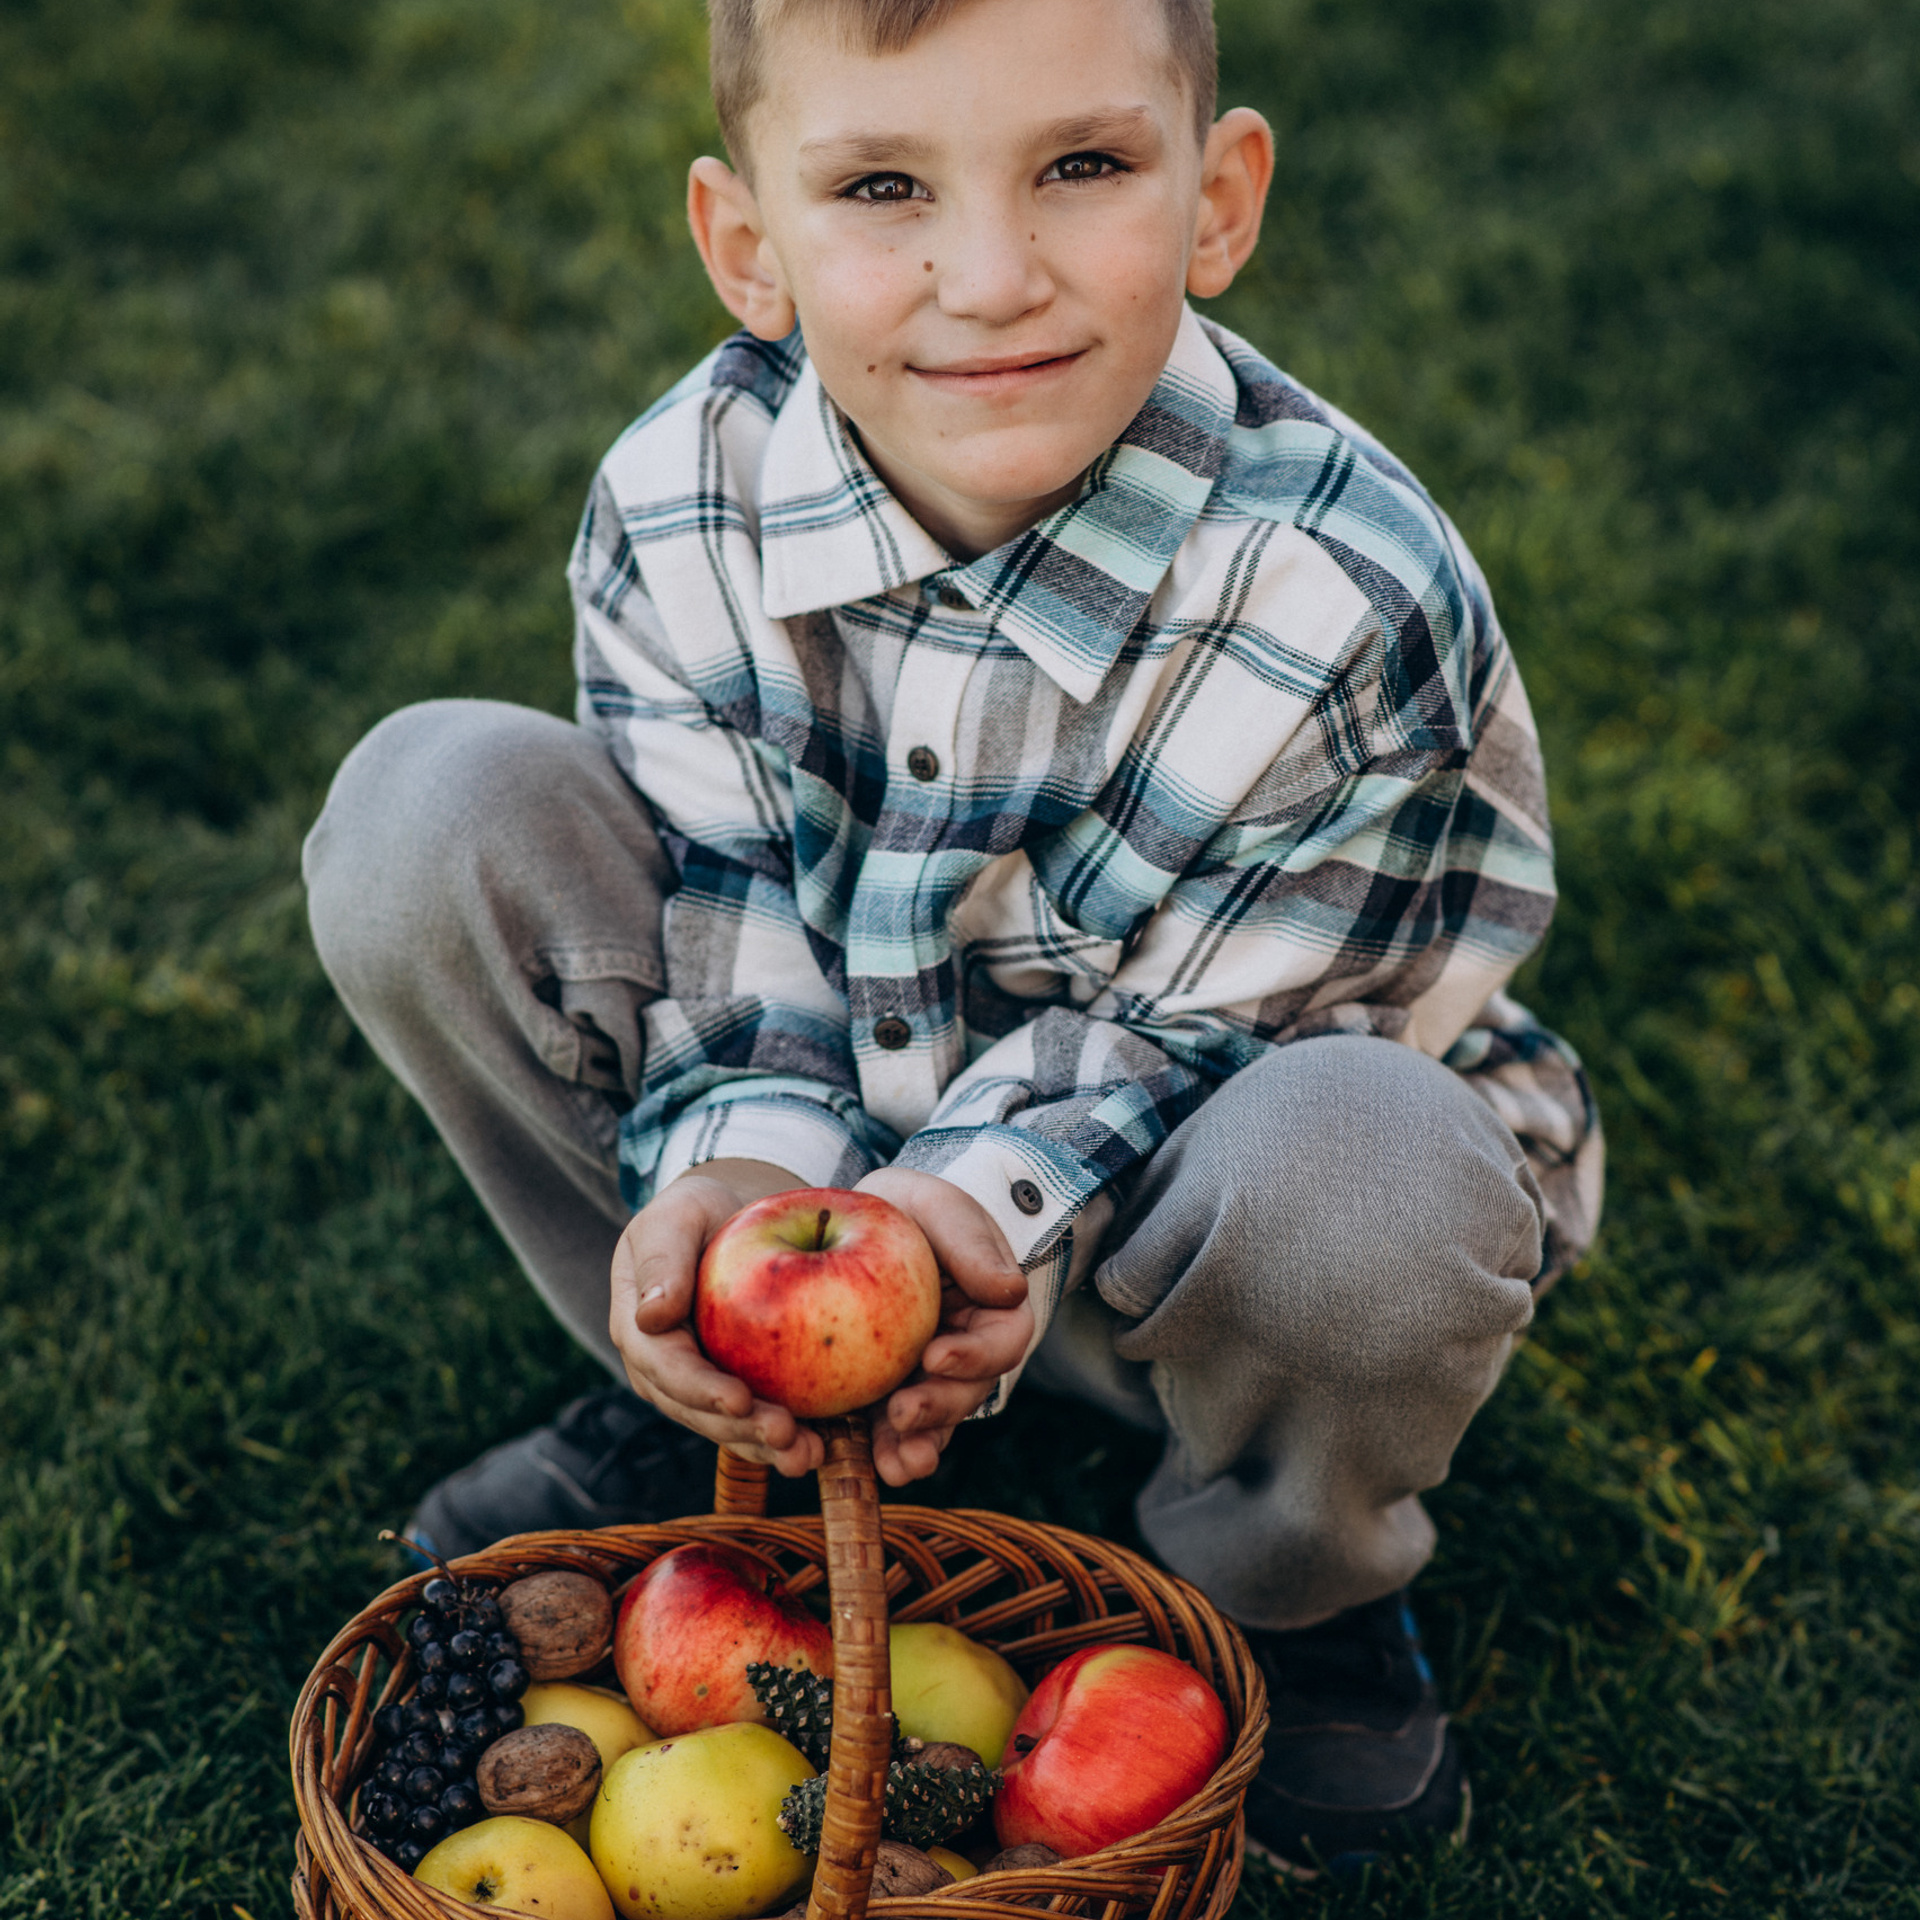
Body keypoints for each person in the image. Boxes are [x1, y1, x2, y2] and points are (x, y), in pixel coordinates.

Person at [303, 0, 1602, 1878]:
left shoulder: (1343, 590)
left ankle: (1289, 1580)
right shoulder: (682, 506)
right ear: (747, 244)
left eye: (1083, 167)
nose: (989, 280)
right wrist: (741, 1187)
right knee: (426, 809)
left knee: (1379, 1170)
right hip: (848, 1213)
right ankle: (720, 1401)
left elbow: (1216, 1030)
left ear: (1219, 196)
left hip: (1201, 1235)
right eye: (884, 186)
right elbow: (730, 906)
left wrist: (966, 1215)